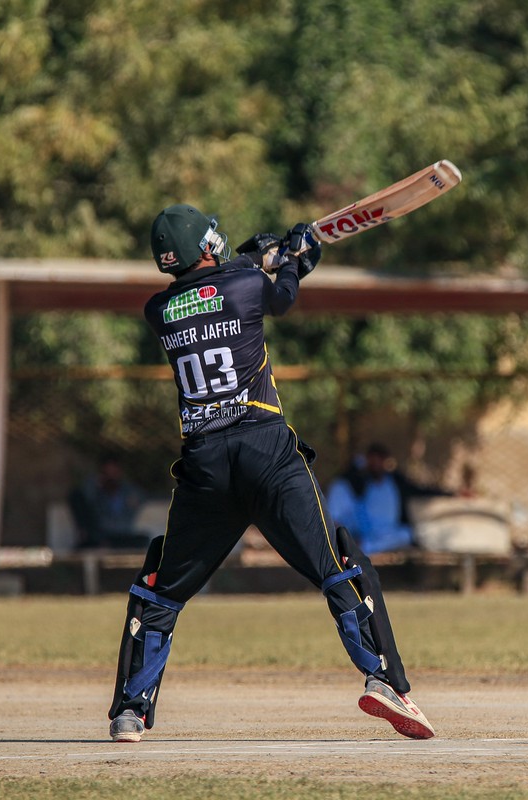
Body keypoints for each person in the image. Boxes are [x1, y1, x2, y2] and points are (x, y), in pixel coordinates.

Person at [106, 204, 435, 743]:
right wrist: (294, 260)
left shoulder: (158, 310)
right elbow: (281, 297)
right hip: (267, 453)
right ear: (206, 246)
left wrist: (265, 258)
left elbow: (219, 286)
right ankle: (385, 681)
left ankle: (130, 712)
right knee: (339, 565)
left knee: (161, 590)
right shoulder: (244, 284)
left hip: (206, 466)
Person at [326, 443, 454, 555]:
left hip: (390, 535)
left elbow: (420, 490)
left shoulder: (395, 482)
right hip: (364, 534)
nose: (375, 464)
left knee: (407, 534)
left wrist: (451, 494)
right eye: (372, 461)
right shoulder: (358, 483)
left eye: (379, 460)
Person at [67, 453, 150, 549]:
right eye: (107, 473)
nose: (111, 477)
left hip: (123, 536)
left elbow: (143, 496)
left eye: (114, 473)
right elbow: (80, 496)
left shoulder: (128, 492)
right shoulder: (96, 493)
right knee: (88, 544)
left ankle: (107, 545)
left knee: (143, 540)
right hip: (102, 535)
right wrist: (95, 482)